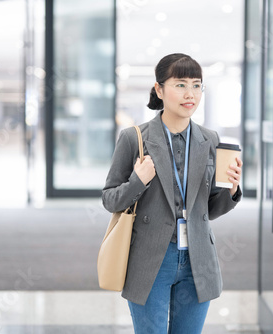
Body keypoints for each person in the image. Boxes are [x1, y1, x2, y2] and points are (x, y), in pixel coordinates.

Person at [102, 53, 243, 333]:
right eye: (180, 85)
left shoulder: (209, 139)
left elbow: (209, 210)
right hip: (151, 257)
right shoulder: (135, 138)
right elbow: (110, 199)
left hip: (197, 258)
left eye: (196, 85)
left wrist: (232, 190)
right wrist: (137, 182)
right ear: (159, 89)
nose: (189, 93)